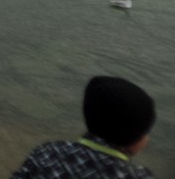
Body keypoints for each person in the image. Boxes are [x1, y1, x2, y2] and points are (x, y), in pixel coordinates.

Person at [11, 75, 156, 178]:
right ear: (133, 137)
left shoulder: (48, 152)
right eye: (145, 132)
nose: (147, 138)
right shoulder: (138, 175)